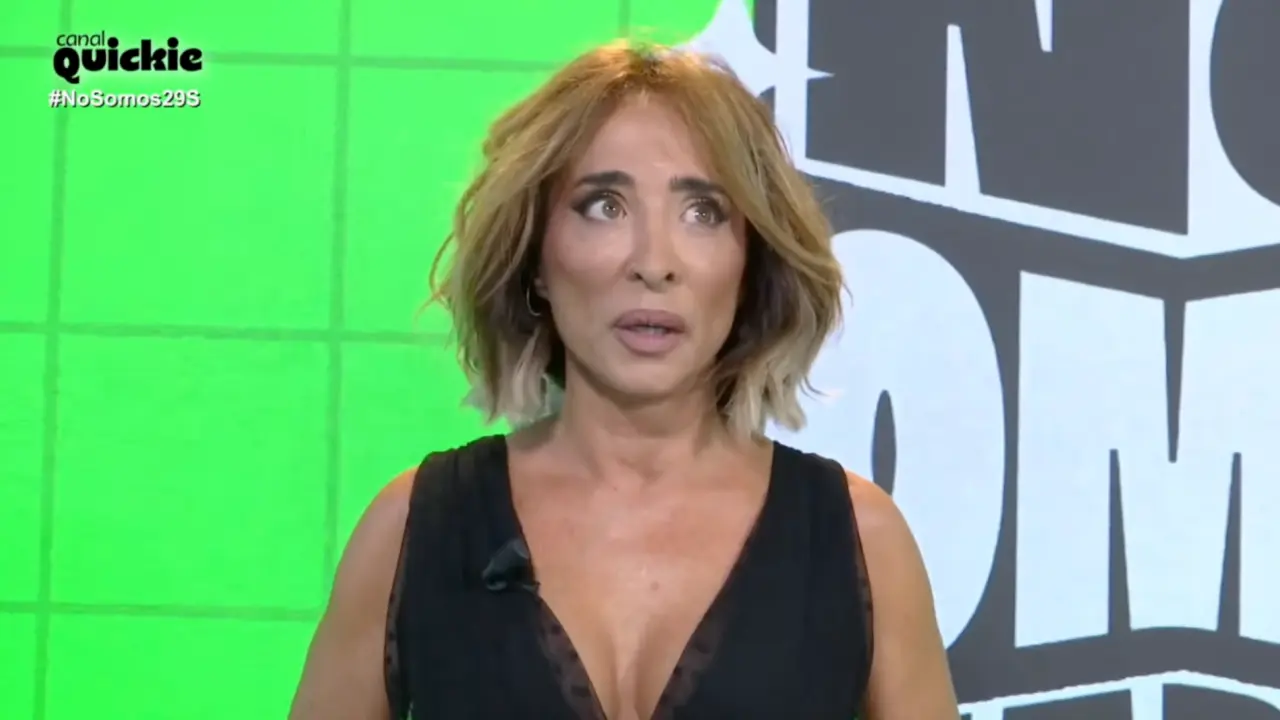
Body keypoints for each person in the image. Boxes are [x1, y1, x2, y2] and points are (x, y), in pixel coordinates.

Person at [289, 40, 959, 719]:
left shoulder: (861, 542)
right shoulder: (413, 529)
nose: (653, 262)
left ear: (750, 263)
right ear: (536, 258)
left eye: (702, 212)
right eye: (604, 205)